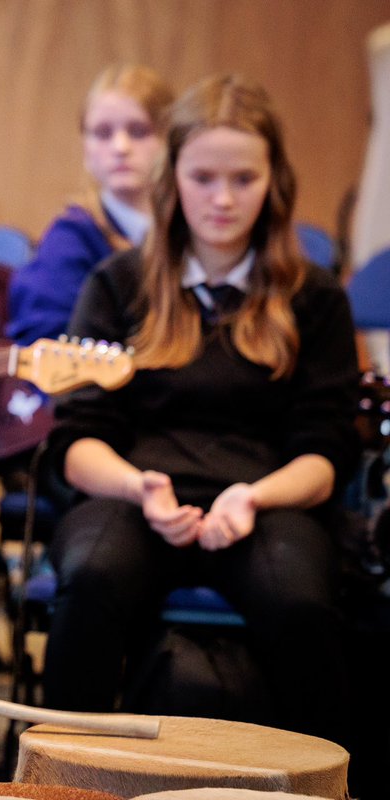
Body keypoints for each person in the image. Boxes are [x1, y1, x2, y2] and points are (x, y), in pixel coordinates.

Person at [42, 73, 360, 746]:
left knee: (301, 602)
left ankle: (330, 781)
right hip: (134, 496)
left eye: (243, 179)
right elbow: (77, 440)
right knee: (91, 580)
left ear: (273, 179)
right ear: (172, 178)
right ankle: (60, 776)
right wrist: (140, 486)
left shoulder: (316, 297)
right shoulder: (118, 283)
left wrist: (252, 498)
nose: (222, 198)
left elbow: (325, 453)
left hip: (267, 503)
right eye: (203, 176)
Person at [7, 64, 174, 345]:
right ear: (86, 149)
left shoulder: (194, 230)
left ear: (171, 139)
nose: (121, 147)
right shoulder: (71, 237)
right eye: (103, 133)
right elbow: (44, 343)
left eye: (138, 131)